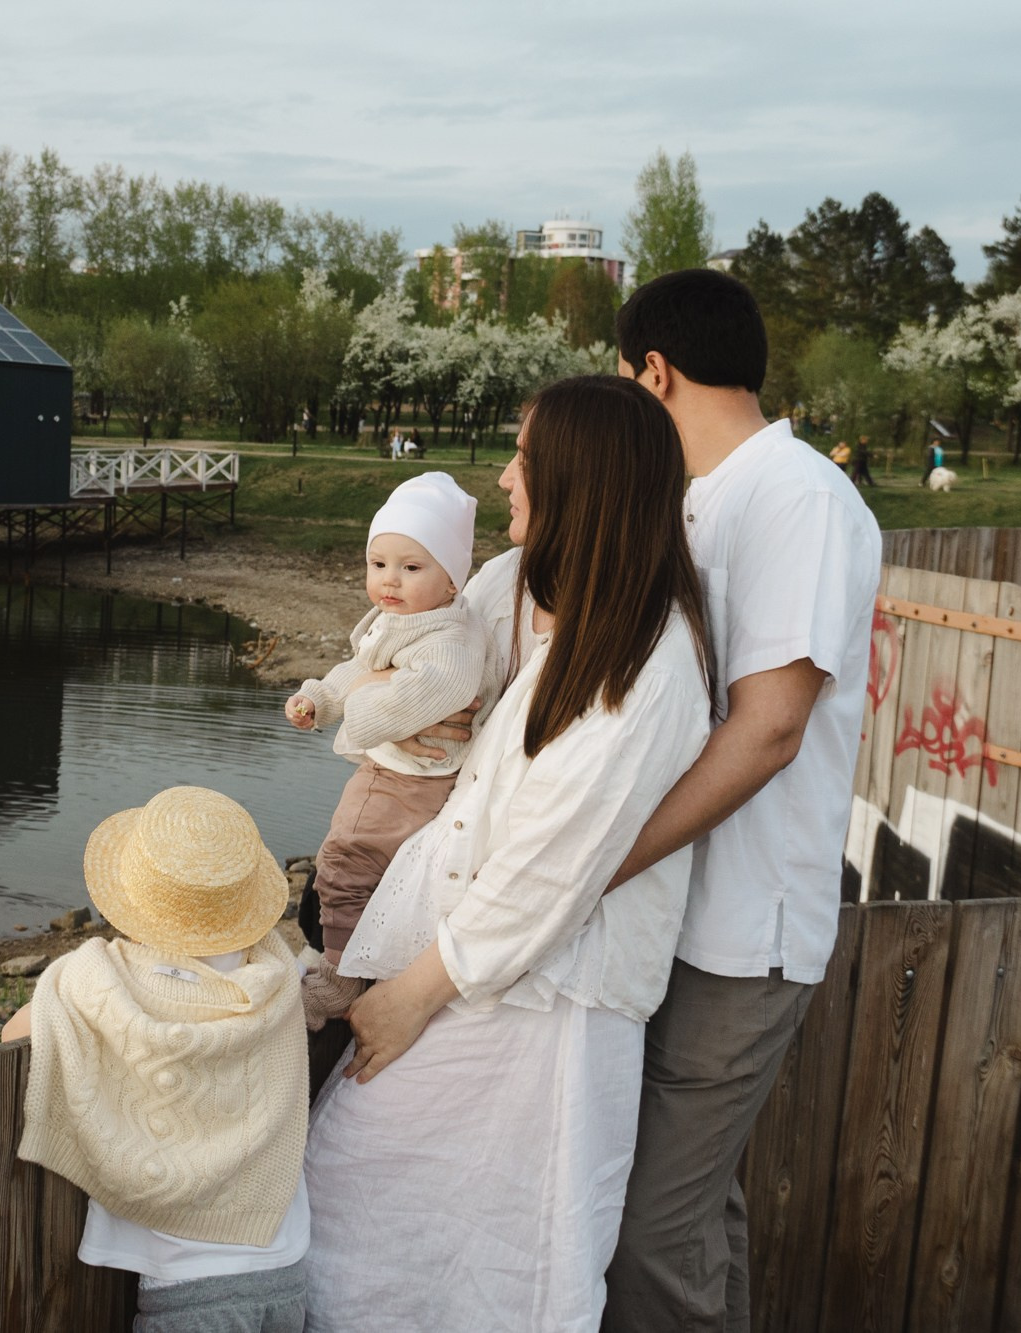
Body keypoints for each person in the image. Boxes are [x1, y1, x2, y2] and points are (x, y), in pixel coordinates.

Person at [301, 376, 716, 1329]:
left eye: (524, 460)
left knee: (485, 1251)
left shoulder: (648, 663)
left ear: (582, 480)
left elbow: (549, 870)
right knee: (368, 1208)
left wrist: (406, 997)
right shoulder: (552, 607)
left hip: (540, 1008)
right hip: (474, 975)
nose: (503, 479)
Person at [600, 269, 880, 1332]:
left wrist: (601, 857)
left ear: (654, 373)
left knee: (647, 1231)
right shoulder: (701, 495)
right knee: (692, 1212)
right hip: (680, 912)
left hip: (740, 927)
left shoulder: (797, 494)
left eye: (627, 381)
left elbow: (767, 729)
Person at [3, 786, 310, 1332]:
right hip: (284, 1261)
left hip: (187, 1284)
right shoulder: (275, 977)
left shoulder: (104, 979)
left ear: (136, 898)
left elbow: (13, 1035)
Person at [285, 473, 497, 1027]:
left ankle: (340, 977)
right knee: (359, 867)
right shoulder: (405, 620)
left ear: (453, 580)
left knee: (348, 863)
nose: (390, 581)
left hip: (408, 784)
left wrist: (357, 709)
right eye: (378, 564)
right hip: (397, 774)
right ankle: (348, 963)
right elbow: (360, 670)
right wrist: (319, 698)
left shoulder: (450, 639)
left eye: (411, 567)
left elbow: (421, 695)